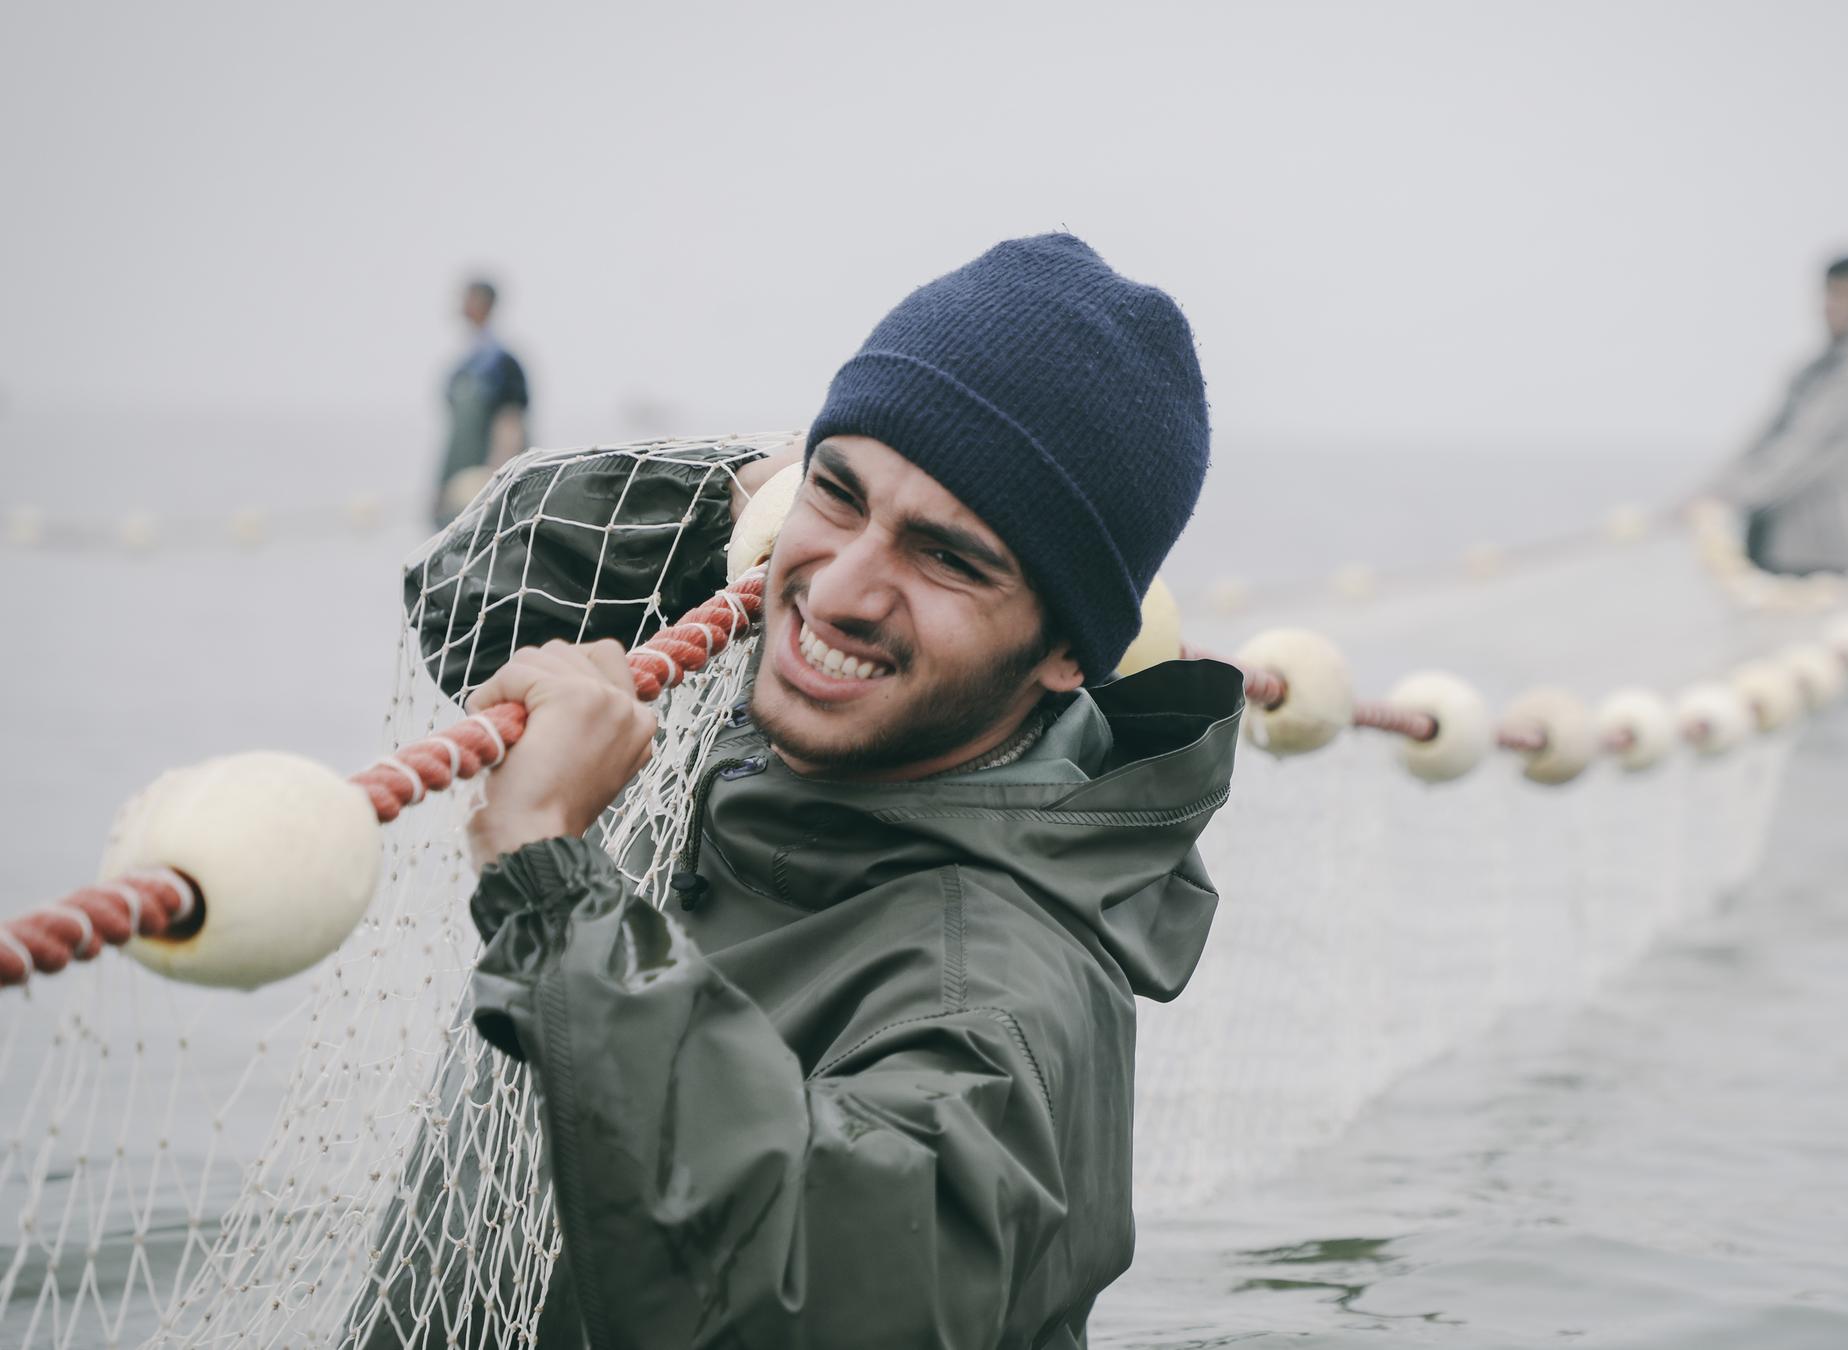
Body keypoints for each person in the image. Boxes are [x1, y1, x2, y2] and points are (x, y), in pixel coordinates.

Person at [386, 233, 1237, 1348]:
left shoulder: (1004, 995)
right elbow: (466, 600)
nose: (838, 593)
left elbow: (798, 1308)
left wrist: (553, 879)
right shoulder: (791, 716)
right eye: (839, 495)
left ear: (1068, 653)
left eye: (947, 557)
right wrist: (742, 500)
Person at [1693, 255, 1848, 574]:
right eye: (1832, 292)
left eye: (1847, 295)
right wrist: (1703, 495)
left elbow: (1804, 450)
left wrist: (1726, 497)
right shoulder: (1806, 371)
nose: (1836, 305)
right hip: (1776, 537)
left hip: (1825, 551)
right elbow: (1760, 439)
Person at [434, 277, 531, 525]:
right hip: (457, 480)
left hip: (483, 486)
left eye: (468, 298)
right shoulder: (466, 360)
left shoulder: (500, 362)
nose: (462, 304)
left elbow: (510, 422)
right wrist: (444, 486)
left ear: (484, 303)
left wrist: (498, 479)